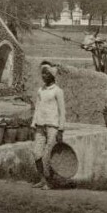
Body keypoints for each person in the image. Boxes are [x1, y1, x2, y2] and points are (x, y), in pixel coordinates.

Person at [31, 62, 66, 190]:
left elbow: (62, 112)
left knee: (48, 155)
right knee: (36, 153)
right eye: (42, 73)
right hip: (40, 125)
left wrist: (60, 129)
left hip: (53, 127)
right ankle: (42, 179)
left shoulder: (58, 91)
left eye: (46, 73)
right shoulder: (40, 90)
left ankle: (50, 182)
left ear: (52, 75)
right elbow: (37, 108)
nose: (43, 76)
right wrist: (33, 124)